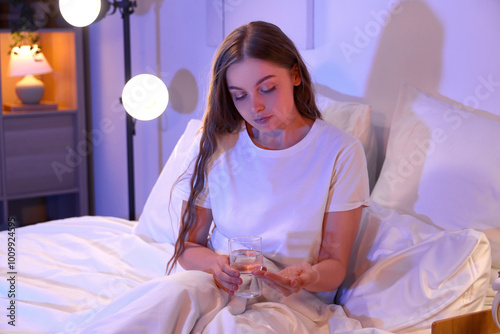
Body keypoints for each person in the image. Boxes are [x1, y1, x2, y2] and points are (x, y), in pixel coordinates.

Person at [167, 20, 369, 304]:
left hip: (288, 299)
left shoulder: (341, 152)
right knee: (161, 308)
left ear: (295, 75)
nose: (255, 107)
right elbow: (186, 247)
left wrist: (306, 276)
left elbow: (334, 264)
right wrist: (215, 264)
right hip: (213, 286)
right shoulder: (218, 144)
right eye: (239, 96)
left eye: (268, 88)